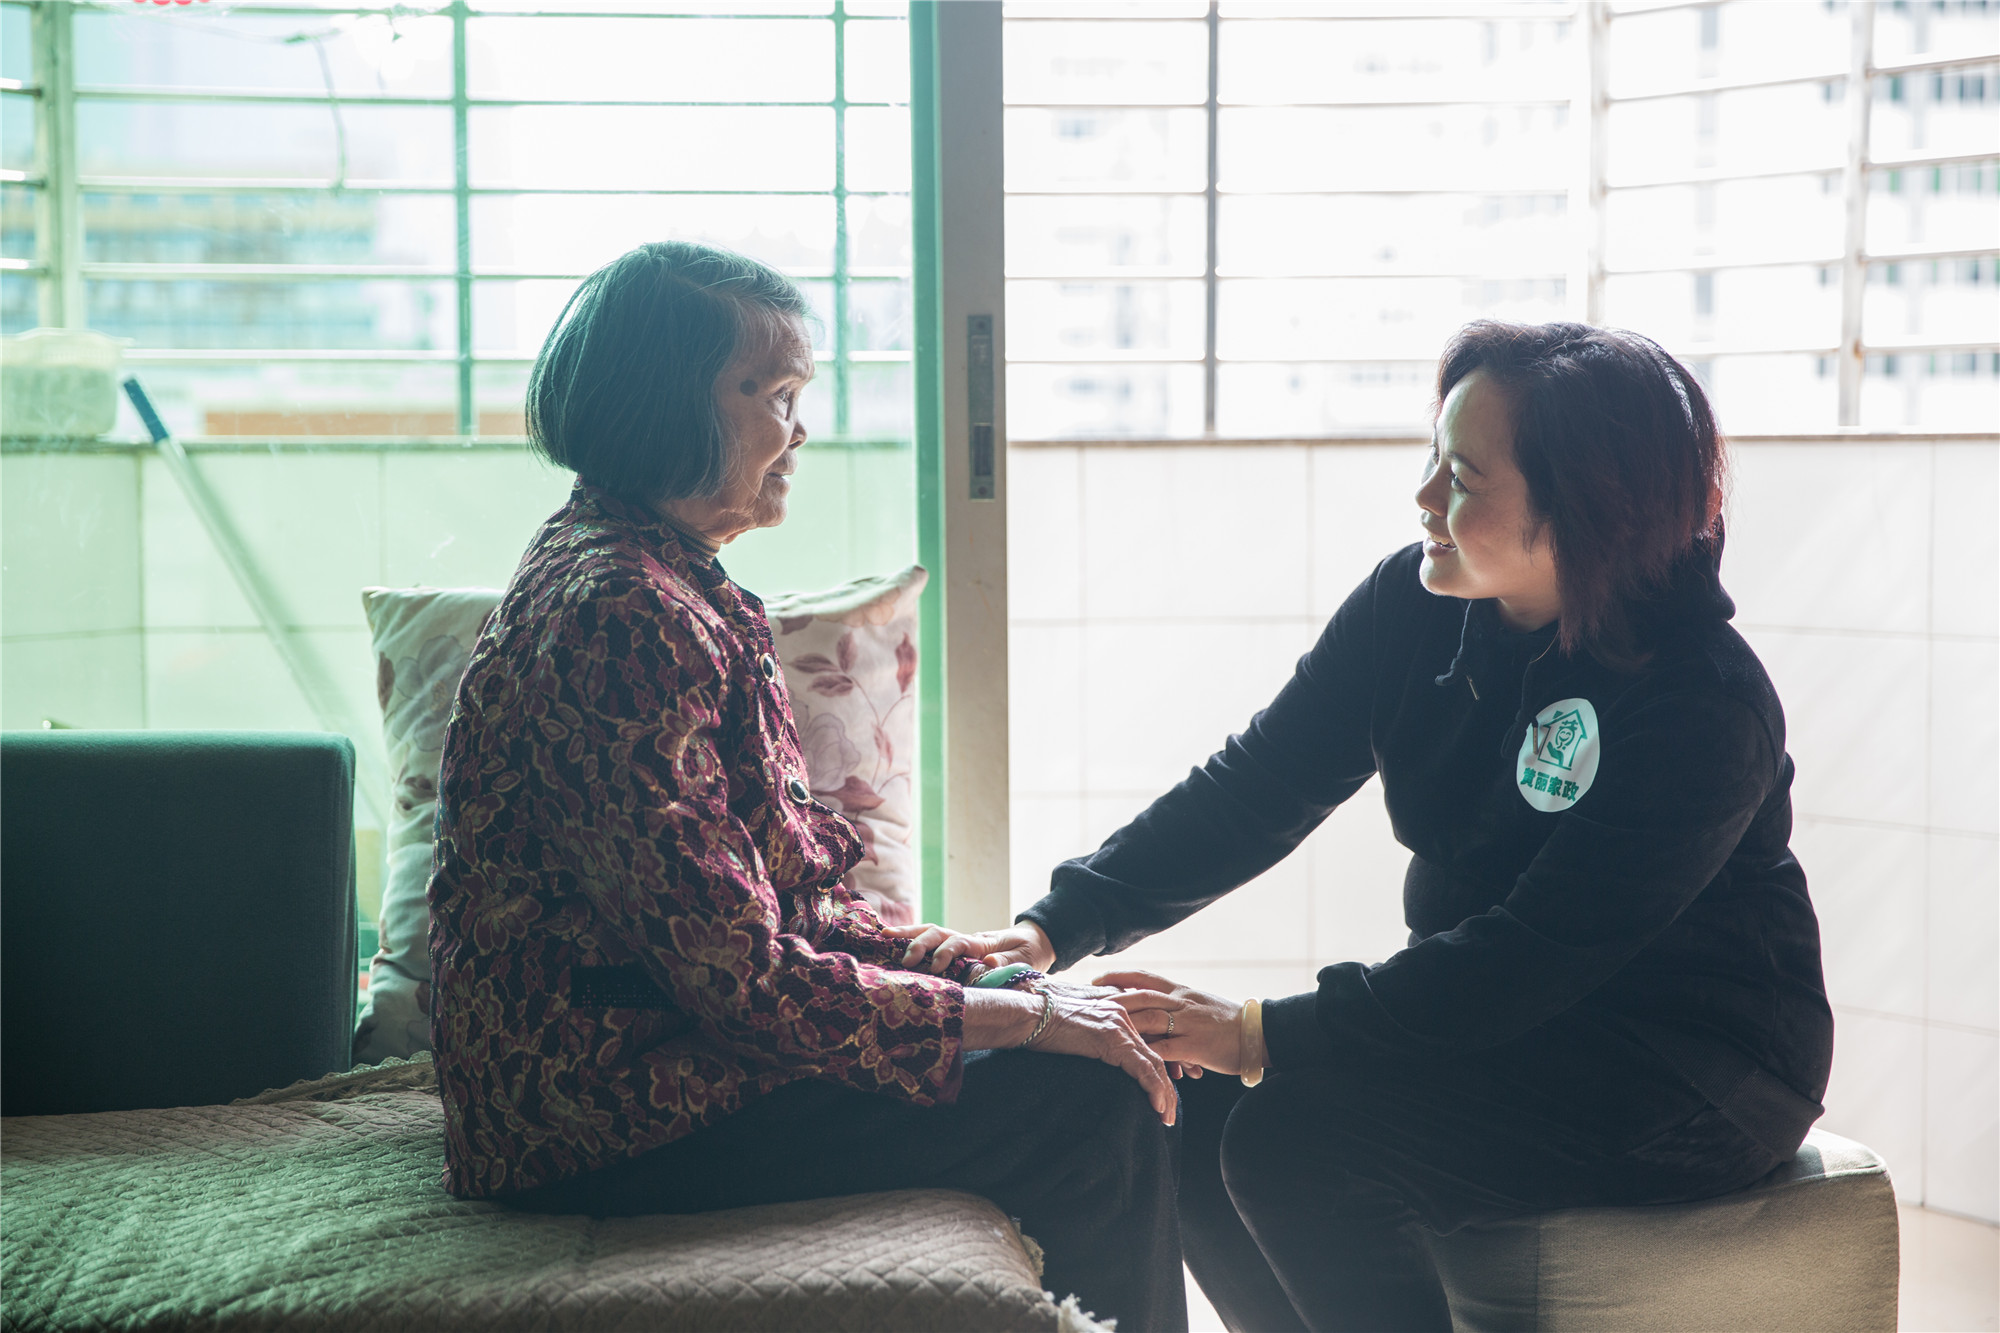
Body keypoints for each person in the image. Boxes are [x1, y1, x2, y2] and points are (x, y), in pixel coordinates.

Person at [901, 321, 1835, 1332]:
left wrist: (1256, 1030)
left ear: (1588, 506)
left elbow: (1530, 956)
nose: (1425, 495)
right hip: (1504, 1025)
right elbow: (1258, 784)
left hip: (1689, 1069)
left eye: (1462, 477)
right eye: (1432, 457)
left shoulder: (1700, 702)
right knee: (1171, 1098)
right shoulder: (1414, 604)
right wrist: (1051, 926)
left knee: (1293, 1140)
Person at [425, 241, 1189, 1332]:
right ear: (671, 401)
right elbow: (742, 981)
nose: (799, 430)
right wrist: (1021, 1019)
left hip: (658, 1062)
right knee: (1091, 1100)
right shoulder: (620, 615)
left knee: (1095, 1046)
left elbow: (785, 903)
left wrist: (986, 975)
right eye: (776, 395)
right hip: (599, 1116)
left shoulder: (664, 581)